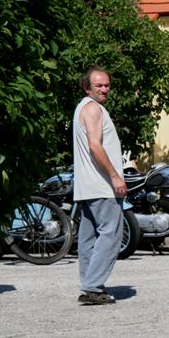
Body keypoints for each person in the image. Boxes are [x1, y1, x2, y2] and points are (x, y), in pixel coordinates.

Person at [73, 67, 127, 305]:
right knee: (111, 235)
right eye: (99, 86)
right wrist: (115, 177)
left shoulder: (82, 108)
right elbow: (95, 146)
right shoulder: (94, 109)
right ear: (88, 87)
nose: (105, 89)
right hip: (101, 185)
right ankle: (93, 287)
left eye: (107, 85)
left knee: (88, 237)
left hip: (87, 186)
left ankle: (89, 284)